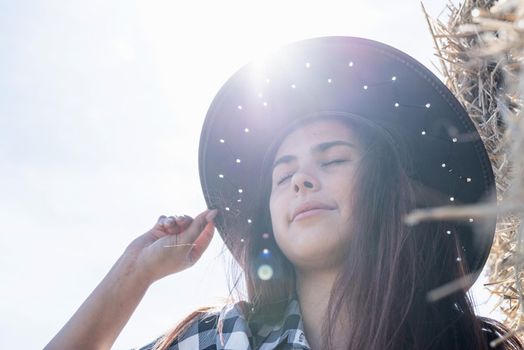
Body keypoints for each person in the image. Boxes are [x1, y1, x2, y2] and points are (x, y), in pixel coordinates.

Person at [45, 37, 523, 350]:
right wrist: (133, 273)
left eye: (333, 159)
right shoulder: (215, 341)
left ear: (396, 193)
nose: (300, 180)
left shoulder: (476, 344)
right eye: (282, 175)